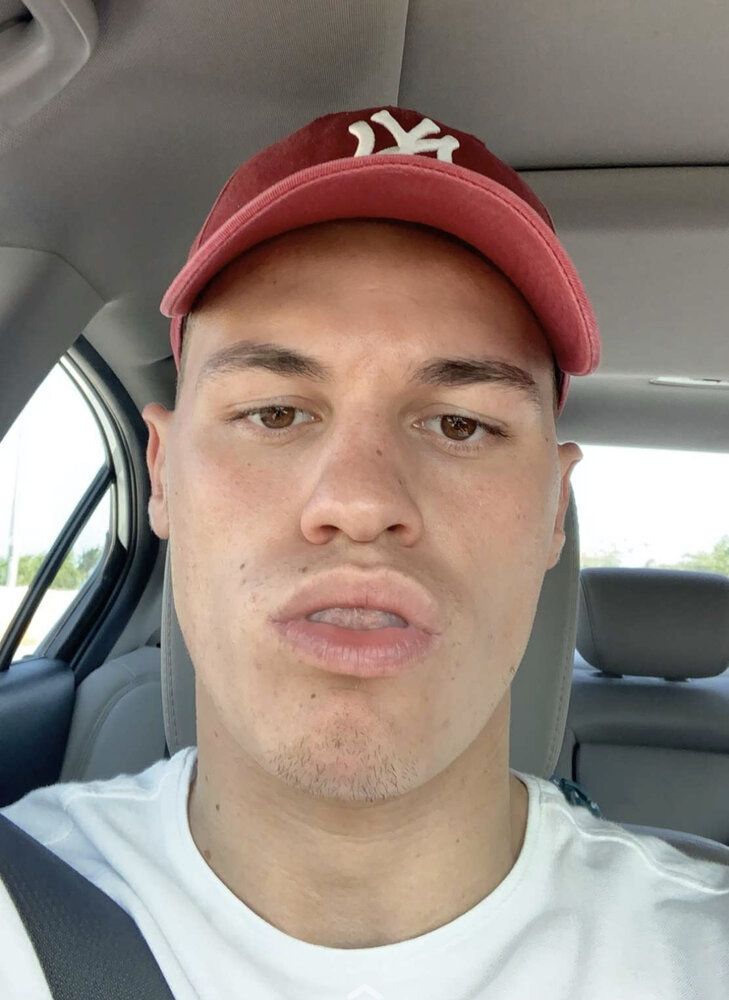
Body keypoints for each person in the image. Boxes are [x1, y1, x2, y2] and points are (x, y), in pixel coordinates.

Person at [1, 106, 727, 1000]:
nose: (360, 502)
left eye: (459, 425)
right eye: (274, 413)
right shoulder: (19, 901)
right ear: (161, 476)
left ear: (553, 511)